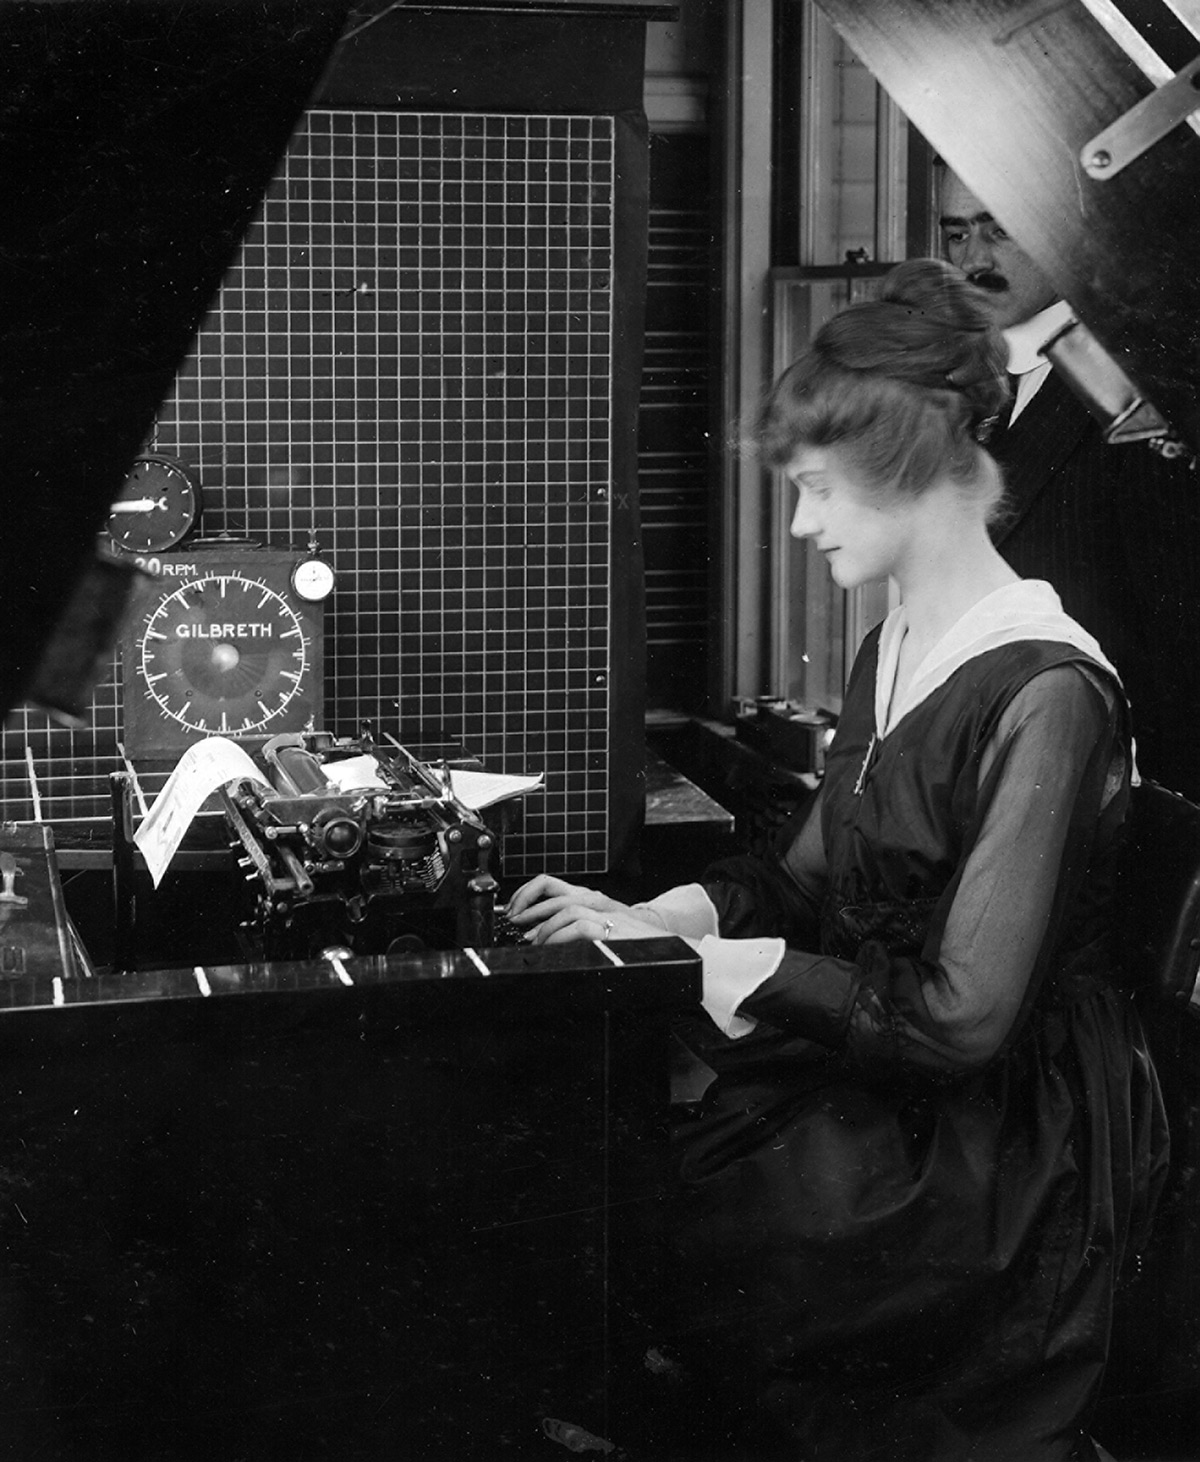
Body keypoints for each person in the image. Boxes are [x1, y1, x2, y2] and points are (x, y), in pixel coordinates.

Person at [506, 259, 1169, 1461]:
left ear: (909, 472)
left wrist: (739, 963)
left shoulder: (1048, 689)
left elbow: (966, 1020)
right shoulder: (894, 644)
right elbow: (808, 878)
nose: (802, 523)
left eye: (815, 491)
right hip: (898, 1079)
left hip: (1001, 1147)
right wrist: (657, 912)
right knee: (620, 1163)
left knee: (694, 1215)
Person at [938, 168, 1200, 800]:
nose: (974, 260)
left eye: (999, 230)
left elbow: (1181, 644)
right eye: (956, 235)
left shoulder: (1134, 391)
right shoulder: (963, 383)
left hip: (1112, 797)